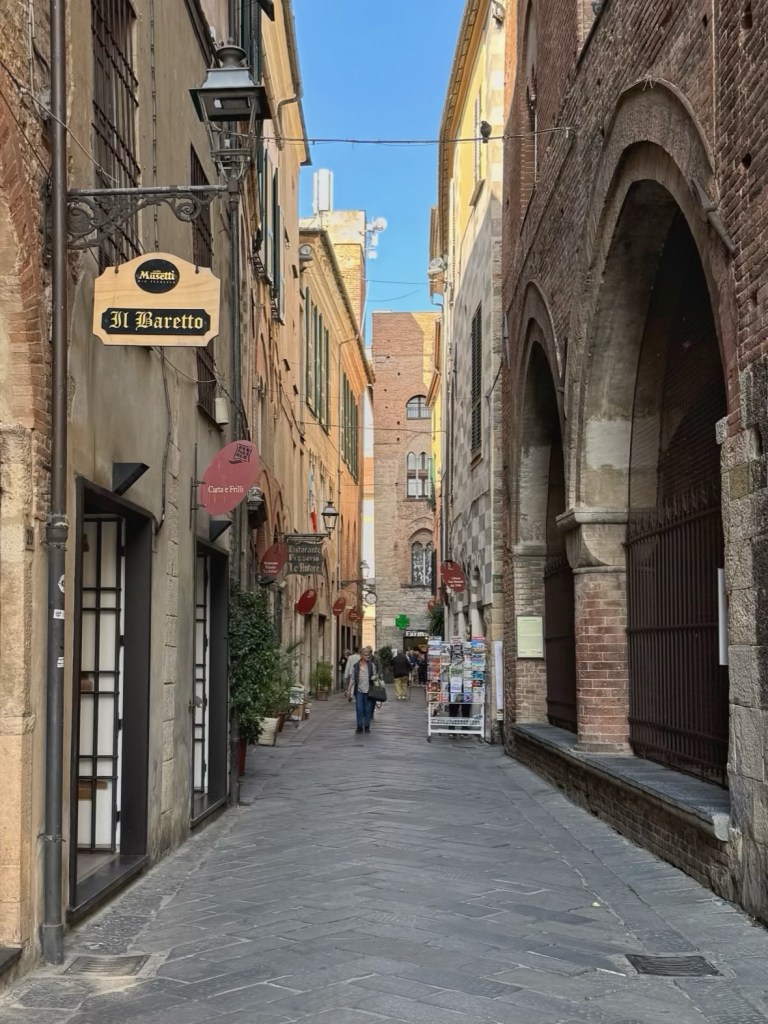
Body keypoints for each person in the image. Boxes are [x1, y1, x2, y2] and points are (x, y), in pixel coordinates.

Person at [346, 646, 378, 733]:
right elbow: (352, 678)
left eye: (368, 655)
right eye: (365, 655)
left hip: (369, 691)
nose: (367, 656)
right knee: (359, 709)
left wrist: (374, 677)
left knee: (368, 709)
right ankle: (359, 727)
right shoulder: (356, 666)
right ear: (361, 656)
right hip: (359, 691)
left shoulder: (371, 665)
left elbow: (375, 675)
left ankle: (367, 726)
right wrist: (349, 690)